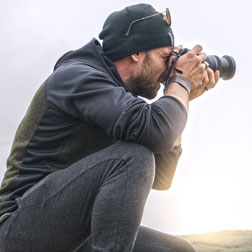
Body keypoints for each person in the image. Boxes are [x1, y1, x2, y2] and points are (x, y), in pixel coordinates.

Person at [0, 3, 219, 252]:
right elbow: (150, 142)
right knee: (132, 158)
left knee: (178, 250)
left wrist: (183, 98)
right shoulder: (77, 77)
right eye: (164, 58)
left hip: (72, 230)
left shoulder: (121, 103)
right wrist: (180, 82)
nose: (167, 70)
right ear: (136, 52)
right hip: (17, 229)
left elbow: (161, 177)